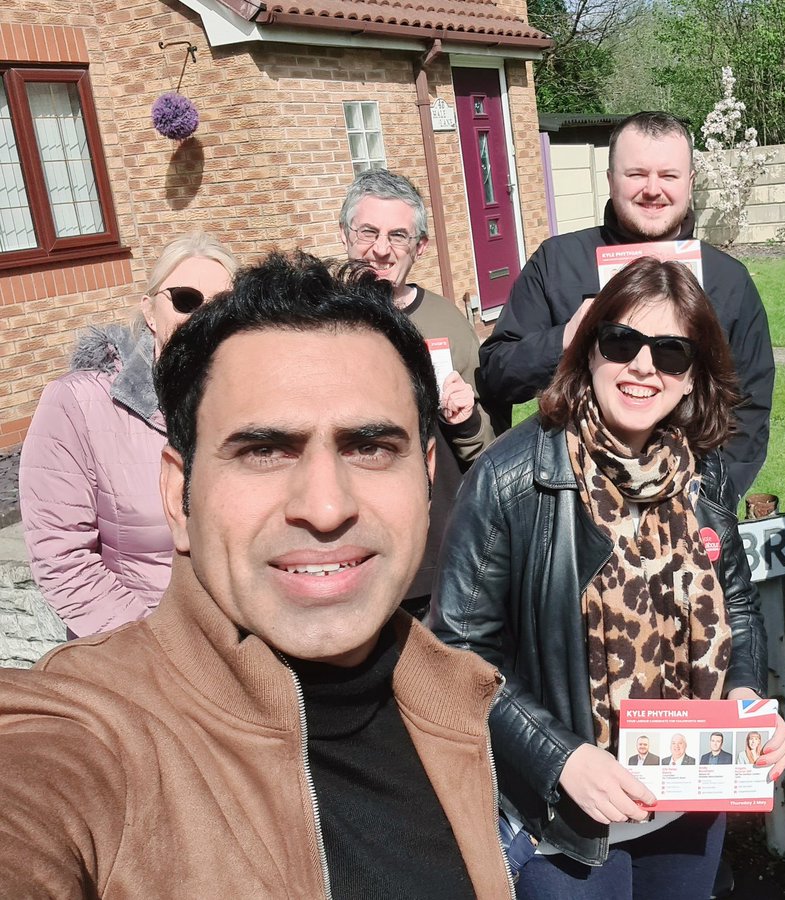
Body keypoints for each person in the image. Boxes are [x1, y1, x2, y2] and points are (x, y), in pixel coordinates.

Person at [0, 252, 512, 898]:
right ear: (177, 494)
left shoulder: (453, 696)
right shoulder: (92, 731)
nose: (326, 508)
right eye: (264, 451)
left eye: (370, 447)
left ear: (426, 474)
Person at [429, 256, 785, 898]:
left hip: (687, 802)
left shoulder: (702, 476)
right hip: (563, 823)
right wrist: (559, 756)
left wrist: (743, 696)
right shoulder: (512, 479)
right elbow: (459, 652)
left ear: (693, 376)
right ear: (588, 349)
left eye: (672, 353)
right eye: (622, 342)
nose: (644, 366)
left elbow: (736, 604)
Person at [477, 111, 774, 499]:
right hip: (571, 498)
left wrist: (712, 496)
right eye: (636, 174)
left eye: (668, 176)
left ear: (690, 183)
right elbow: (498, 374)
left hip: (685, 501)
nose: (653, 189)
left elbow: (749, 406)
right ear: (610, 180)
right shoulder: (557, 263)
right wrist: (565, 338)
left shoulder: (728, 281)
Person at [19, 232, 236, 638]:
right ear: (150, 311)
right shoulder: (79, 403)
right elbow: (63, 558)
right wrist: (156, 646)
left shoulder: (249, 406)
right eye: (185, 300)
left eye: (221, 305)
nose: (202, 316)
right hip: (139, 652)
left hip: (243, 648)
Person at [339, 168, 494, 614]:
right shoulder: (316, 320)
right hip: (347, 546)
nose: (381, 249)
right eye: (368, 231)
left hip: (436, 555)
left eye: (399, 236)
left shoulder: (449, 324)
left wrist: (466, 419)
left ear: (420, 246)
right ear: (346, 235)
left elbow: (483, 454)